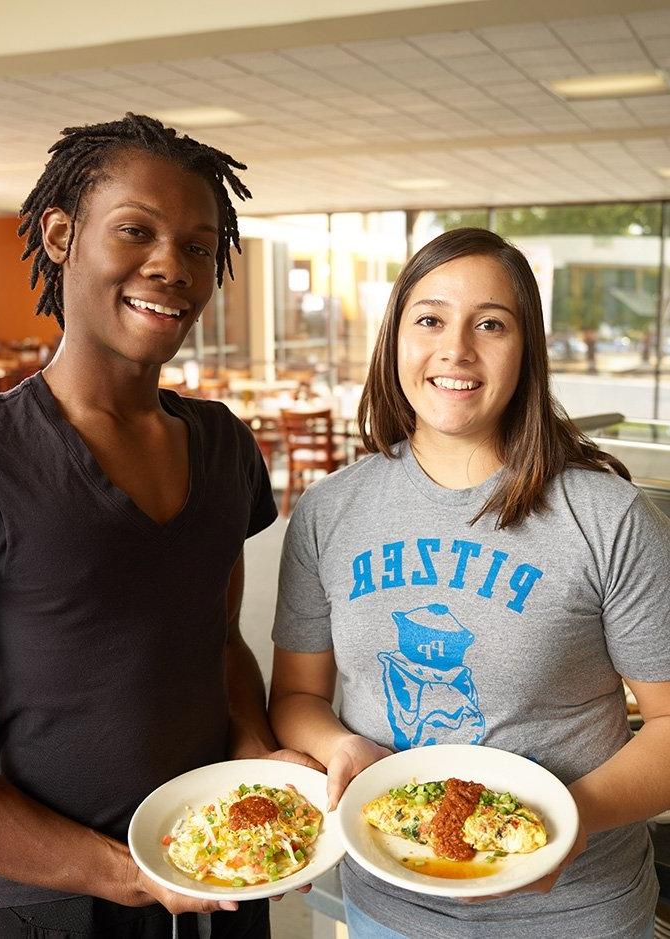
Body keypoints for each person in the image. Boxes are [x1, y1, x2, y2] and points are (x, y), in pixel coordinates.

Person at [0, 112, 313, 939]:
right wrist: (132, 873)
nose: (170, 266)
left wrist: (254, 747)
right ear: (61, 233)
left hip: (218, 872)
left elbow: (218, 644)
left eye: (197, 245)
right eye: (136, 231)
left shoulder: (222, 445)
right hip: (52, 904)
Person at [268, 228, 670, 939]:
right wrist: (337, 746)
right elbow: (297, 695)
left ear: (527, 351)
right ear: (396, 339)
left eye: (490, 323)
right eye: (430, 319)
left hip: (577, 912)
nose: (456, 348)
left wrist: (564, 820)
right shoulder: (329, 511)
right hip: (389, 907)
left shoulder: (607, 515)